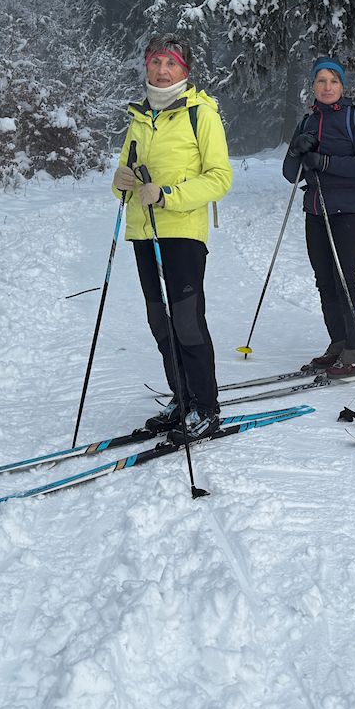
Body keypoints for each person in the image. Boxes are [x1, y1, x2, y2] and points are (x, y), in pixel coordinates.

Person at [112, 34, 233, 441]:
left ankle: (205, 407)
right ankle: (181, 398)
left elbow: (220, 177)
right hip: (142, 232)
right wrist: (121, 181)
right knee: (159, 321)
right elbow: (123, 181)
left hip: (181, 230)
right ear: (146, 65)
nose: (162, 71)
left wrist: (168, 196)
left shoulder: (202, 113)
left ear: (186, 70)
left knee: (186, 321)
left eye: (172, 64)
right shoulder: (139, 116)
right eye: (156, 62)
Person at [281, 56, 355, 377]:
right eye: (321, 81)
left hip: (349, 212)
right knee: (324, 281)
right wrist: (297, 149)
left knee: (344, 280)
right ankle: (338, 343)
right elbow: (289, 173)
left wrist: (323, 162)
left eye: (333, 81)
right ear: (312, 86)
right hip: (316, 211)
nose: (327, 87)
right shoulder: (307, 123)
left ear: (342, 85)